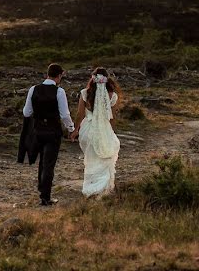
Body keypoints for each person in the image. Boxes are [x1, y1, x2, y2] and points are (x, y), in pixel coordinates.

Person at [17, 63, 75, 206]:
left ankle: (42, 191)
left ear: (47, 74)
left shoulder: (33, 89)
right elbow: (65, 114)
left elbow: (26, 112)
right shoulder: (59, 92)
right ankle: (45, 196)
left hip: (37, 130)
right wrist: (71, 128)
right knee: (48, 163)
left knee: (42, 162)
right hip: (53, 131)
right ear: (59, 75)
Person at [69, 68, 121, 197]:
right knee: (104, 157)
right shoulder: (113, 95)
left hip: (88, 129)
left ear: (93, 78)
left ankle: (91, 185)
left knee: (91, 157)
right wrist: (112, 131)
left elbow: (80, 114)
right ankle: (103, 186)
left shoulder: (85, 93)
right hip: (104, 129)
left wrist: (75, 130)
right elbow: (112, 117)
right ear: (106, 79)